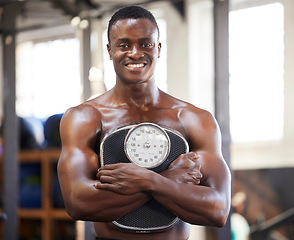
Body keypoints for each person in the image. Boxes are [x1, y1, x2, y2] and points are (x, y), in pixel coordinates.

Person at [57, 5, 231, 240]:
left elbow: (218, 211)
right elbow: (78, 203)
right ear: (110, 50)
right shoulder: (85, 118)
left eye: (146, 44)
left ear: (158, 48)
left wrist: (148, 180)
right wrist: (168, 180)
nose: (135, 53)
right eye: (124, 45)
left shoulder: (195, 119)